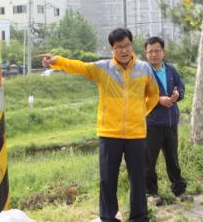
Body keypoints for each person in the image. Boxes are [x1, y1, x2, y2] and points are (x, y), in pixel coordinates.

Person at [41, 28, 159, 222]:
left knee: (138, 179)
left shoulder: (144, 69)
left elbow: (153, 95)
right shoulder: (103, 68)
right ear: (112, 49)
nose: (124, 50)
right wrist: (58, 61)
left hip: (136, 134)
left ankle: (139, 217)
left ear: (132, 45)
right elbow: (79, 66)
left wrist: (140, 113)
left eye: (127, 45)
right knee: (107, 179)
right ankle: (108, 217)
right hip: (109, 134)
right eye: (119, 47)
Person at [143, 37, 187, 206]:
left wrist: (177, 95)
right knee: (149, 161)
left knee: (172, 158)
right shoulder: (143, 72)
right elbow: (137, 95)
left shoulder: (170, 69)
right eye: (150, 51)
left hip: (170, 122)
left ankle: (179, 190)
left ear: (163, 52)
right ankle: (151, 193)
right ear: (146, 53)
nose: (154, 54)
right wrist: (157, 100)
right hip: (151, 123)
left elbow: (180, 87)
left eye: (157, 50)